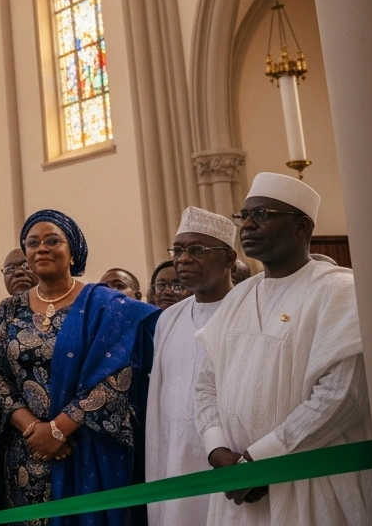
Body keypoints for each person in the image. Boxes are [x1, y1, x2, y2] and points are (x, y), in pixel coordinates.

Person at [195, 173, 372, 524]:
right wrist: (217, 450)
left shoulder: (339, 291)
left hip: (311, 478)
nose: (247, 225)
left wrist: (261, 458)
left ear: (301, 226)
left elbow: (344, 395)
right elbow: (205, 384)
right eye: (244, 216)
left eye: (261, 215)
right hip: (237, 483)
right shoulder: (237, 297)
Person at [0, 209, 159, 526]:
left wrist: (57, 430)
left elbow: (117, 375)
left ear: (73, 252)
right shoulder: (9, 308)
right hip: (27, 452)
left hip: (86, 446)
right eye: (33, 243)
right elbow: (0, 378)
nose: (42, 248)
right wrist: (35, 431)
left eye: (53, 241)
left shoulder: (105, 304)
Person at [145, 208, 237, 526]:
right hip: (175, 453)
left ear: (229, 258)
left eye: (197, 249)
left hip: (229, 455)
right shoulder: (168, 319)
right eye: (178, 250)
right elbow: (159, 403)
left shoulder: (249, 309)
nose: (183, 259)